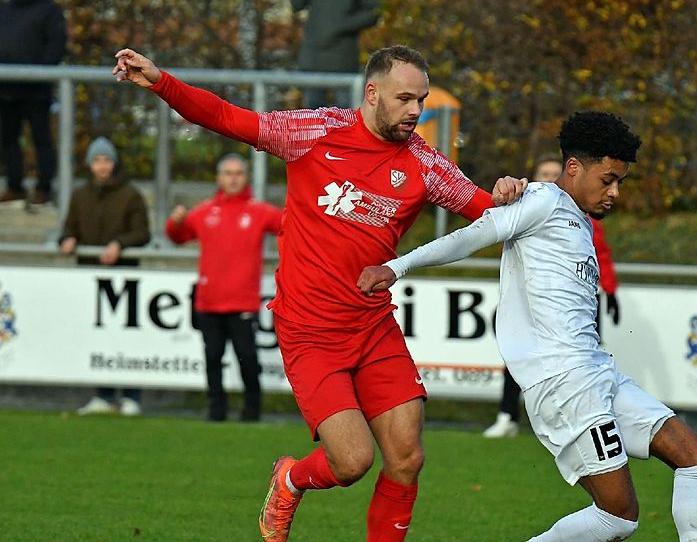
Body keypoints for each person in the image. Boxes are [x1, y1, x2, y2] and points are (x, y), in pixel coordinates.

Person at [112, 44, 526, 542]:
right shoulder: (316, 131)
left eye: (421, 100)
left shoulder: (425, 163)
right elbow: (227, 118)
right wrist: (161, 82)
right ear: (372, 93)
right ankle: (290, 477)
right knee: (352, 461)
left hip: (372, 326)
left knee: (407, 457)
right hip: (309, 331)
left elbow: (488, 214)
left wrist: (506, 196)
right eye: (405, 99)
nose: (416, 111)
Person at [359, 111, 697, 542]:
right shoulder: (541, 202)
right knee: (618, 517)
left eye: (620, 181)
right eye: (607, 179)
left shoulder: (580, 218)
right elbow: (472, 235)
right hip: (564, 383)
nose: (615, 192)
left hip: (598, 373)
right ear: (574, 167)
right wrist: (396, 267)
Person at [485, 155, 621, 439]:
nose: (548, 178)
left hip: (576, 304)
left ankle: (580, 417)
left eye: (552, 173)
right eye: (542, 173)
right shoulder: (525, 209)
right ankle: (507, 415)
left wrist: (610, 290)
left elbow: (600, 255)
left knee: (581, 362)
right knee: (517, 359)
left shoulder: (583, 214)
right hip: (530, 302)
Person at [166, 153, 282, 422]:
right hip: (209, 302)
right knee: (213, 359)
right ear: (219, 178)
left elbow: (291, 227)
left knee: (247, 359)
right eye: (228, 173)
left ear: (246, 178)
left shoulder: (258, 211)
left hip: (242, 302)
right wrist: (175, 222)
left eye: (238, 173)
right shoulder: (205, 212)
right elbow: (178, 237)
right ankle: (215, 411)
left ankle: (252, 411)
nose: (233, 178)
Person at [62, 136, 150, 416]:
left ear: (114, 163)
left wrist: (119, 244)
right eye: (97, 161)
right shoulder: (79, 195)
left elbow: (142, 233)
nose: (102, 166)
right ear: (90, 164)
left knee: (126, 337)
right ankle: (102, 393)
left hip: (124, 278)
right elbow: (68, 228)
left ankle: (131, 395)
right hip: (91, 276)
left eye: (107, 160)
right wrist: (68, 239)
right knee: (97, 336)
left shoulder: (131, 195)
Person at [0, 0, 67, 204]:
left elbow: (56, 46)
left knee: (41, 139)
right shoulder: (5, 10)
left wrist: (40, 73)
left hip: (36, 90)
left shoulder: (50, 11)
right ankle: (14, 185)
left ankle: (43, 187)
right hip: (6, 88)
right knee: (8, 139)